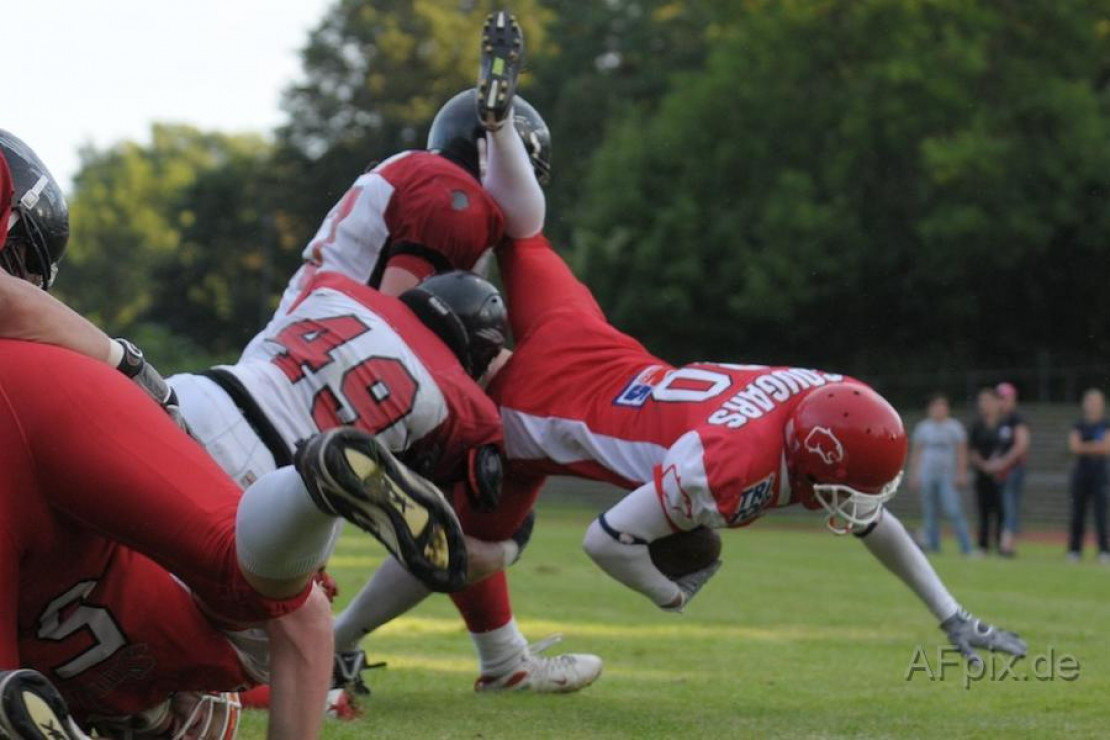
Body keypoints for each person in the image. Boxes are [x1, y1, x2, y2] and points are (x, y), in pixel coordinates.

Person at [0, 132, 468, 739]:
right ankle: (310, 492)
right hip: (75, 397)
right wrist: (129, 367)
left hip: (142, 433)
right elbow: (302, 618)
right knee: (249, 570)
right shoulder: (456, 389)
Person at [908, 394, 973, 555]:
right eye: (935, 406)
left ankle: (966, 547)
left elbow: (962, 452)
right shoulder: (923, 428)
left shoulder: (954, 427)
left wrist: (961, 473)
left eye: (942, 406)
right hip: (927, 474)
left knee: (953, 510)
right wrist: (914, 474)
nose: (938, 410)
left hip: (948, 476)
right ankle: (933, 545)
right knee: (930, 512)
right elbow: (917, 452)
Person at [987, 382, 1030, 557]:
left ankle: (1007, 545)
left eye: (1005, 398)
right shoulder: (1000, 421)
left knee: (1010, 507)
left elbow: (1021, 446)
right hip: (1003, 472)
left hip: (1013, 471)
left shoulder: (1017, 420)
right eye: (1000, 398)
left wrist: (1002, 463)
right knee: (1005, 507)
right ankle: (1005, 544)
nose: (1002, 402)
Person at [1066, 388, 1110, 562]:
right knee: (1077, 512)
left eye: (1096, 402)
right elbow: (1074, 447)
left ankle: (1104, 550)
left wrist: (1086, 446)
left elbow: (1107, 448)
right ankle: (1074, 550)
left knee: (1101, 514)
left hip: (1100, 474)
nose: (1092, 405)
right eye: (1090, 401)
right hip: (1081, 474)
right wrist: (1095, 446)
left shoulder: (1106, 424)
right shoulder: (1078, 425)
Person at [968, 388, 1004, 554]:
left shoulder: (1005, 424)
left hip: (1002, 475)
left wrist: (999, 465)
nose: (985, 405)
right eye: (982, 401)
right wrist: (984, 465)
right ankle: (983, 545)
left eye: (988, 400)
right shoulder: (977, 425)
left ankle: (1002, 543)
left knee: (1002, 510)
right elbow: (972, 449)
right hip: (982, 474)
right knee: (983, 510)